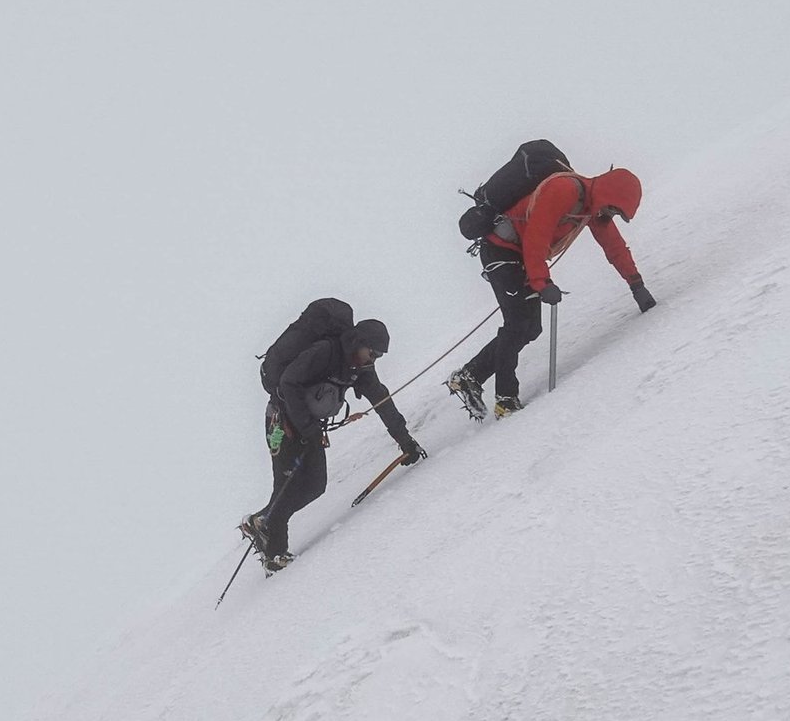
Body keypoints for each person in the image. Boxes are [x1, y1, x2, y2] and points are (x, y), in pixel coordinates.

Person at [447, 166, 654, 419]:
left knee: (531, 327)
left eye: (615, 212)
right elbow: (536, 236)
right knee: (517, 323)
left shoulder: (592, 209)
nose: (609, 214)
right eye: (613, 208)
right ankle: (506, 399)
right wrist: (542, 282)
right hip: (500, 251)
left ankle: (470, 376)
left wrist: (636, 285)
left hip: (519, 256)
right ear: (608, 194)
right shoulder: (564, 190)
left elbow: (615, 247)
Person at [241, 314, 424, 571]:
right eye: (371, 352)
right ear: (358, 342)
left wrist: (405, 441)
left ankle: (262, 521)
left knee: (315, 485)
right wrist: (307, 427)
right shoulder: (325, 352)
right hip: (280, 424)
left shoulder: (360, 369)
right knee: (286, 483)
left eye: (377, 357)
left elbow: (382, 402)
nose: (372, 360)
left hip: (309, 428)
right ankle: (275, 554)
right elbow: (288, 382)